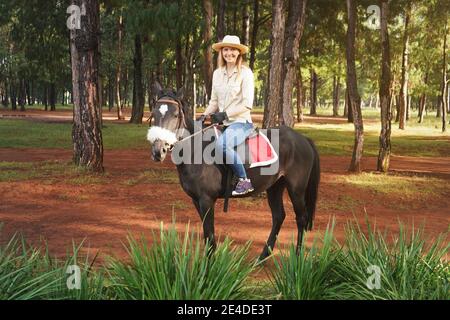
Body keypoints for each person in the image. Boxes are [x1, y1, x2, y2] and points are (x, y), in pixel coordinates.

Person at [198, 35, 255, 196]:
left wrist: (225, 114)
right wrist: (204, 114)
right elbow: (214, 101)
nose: (229, 53)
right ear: (221, 52)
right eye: (226, 49)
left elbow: (247, 104)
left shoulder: (246, 73)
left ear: (239, 53)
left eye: (233, 50)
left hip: (241, 122)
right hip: (222, 123)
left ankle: (244, 181)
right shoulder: (217, 73)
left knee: (222, 145)